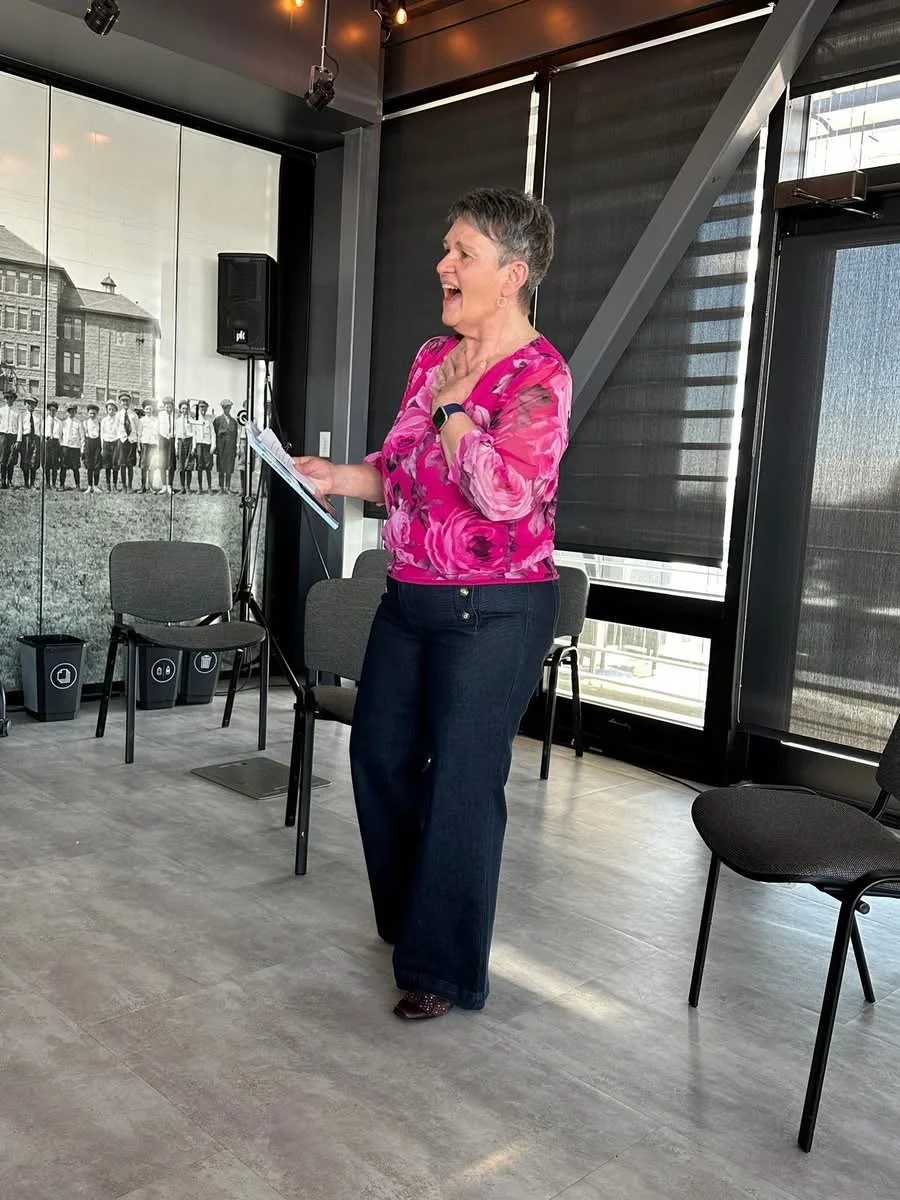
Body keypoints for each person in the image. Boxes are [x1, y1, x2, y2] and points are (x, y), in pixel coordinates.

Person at [294, 188, 572, 1020]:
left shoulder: (540, 376)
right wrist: (340, 478)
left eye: (462, 253)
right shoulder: (429, 356)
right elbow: (401, 469)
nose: (442, 266)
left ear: (512, 274)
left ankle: (439, 968)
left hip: (497, 611)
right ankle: (413, 921)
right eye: (445, 249)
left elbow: (504, 496)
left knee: (461, 782)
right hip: (409, 593)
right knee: (378, 760)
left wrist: (456, 407)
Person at [213, 399, 238, 493]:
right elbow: (215, 434)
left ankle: (227, 488)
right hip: (221, 448)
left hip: (230, 447)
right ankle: (221, 488)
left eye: (228, 408)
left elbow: (235, 436)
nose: (226, 409)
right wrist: (216, 447)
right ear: (222, 408)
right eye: (224, 408)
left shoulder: (234, 422)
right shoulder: (217, 420)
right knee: (221, 467)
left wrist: (235, 449)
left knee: (229, 467)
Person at [59, 403, 84, 490]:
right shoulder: (63, 423)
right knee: (63, 467)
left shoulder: (79, 423)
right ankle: (62, 485)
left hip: (75, 447)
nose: (71, 413)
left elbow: (82, 437)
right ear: (67, 412)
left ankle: (77, 485)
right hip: (65, 447)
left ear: (75, 412)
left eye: (73, 411)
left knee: (75, 468)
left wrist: (82, 449)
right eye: (69, 411)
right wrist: (62, 446)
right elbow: (60, 436)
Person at [191, 400, 214, 493]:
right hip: (199, 445)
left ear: (207, 408)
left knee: (208, 467)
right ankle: (200, 488)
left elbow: (213, 434)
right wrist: (193, 447)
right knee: (199, 467)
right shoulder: (196, 421)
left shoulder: (209, 421)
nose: (203, 409)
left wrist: (213, 446)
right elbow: (194, 435)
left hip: (207, 445)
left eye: (204, 407)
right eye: (201, 407)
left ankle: (209, 488)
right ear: (198, 408)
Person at [19, 397, 41, 489]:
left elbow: (40, 430)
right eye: (28, 403)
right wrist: (19, 440)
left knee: (34, 460)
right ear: (25, 405)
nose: (30, 405)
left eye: (32, 404)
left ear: (35, 405)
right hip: (26, 439)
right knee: (25, 460)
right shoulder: (22, 416)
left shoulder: (38, 417)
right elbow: (20, 429)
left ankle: (32, 484)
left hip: (35, 439)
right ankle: (26, 484)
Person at [0, 390, 20, 489]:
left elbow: (20, 427)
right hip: (3, 436)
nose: (9, 400)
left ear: (14, 399)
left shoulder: (17, 411)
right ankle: (3, 480)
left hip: (13, 437)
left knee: (11, 459)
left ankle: (10, 480)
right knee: (3, 459)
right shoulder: (1, 410)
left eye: (11, 398)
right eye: (7, 398)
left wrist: (18, 440)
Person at [174, 399, 194, 494]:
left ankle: (188, 487)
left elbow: (194, 434)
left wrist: (193, 447)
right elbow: (176, 434)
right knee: (181, 466)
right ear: (180, 409)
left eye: (186, 408)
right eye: (183, 408)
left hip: (189, 441)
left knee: (189, 465)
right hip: (180, 442)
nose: (185, 410)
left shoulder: (192, 420)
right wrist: (176, 448)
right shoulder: (177, 421)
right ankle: (182, 487)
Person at [82, 402, 102, 493]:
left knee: (97, 466)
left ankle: (96, 486)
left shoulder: (99, 423)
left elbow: (101, 436)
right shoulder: (85, 423)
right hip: (88, 444)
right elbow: (82, 437)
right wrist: (83, 449)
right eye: (90, 413)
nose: (92, 415)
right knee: (89, 466)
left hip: (97, 444)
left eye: (94, 413)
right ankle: (89, 486)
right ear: (88, 413)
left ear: (97, 414)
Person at [100, 400, 119, 492]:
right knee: (107, 466)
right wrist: (102, 446)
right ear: (107, 410)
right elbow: (102, 433)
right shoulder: (104, 420)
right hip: (106, 443)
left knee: (115, 465)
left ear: (116, 410)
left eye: (113, 409)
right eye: (109, 409)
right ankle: (108, 485)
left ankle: (115, 485)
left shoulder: (118, 420)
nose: (111, 411)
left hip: (115, 443)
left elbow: (119, 432)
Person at [44, 400, 62, 489]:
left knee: (55, 464)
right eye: (50, 410)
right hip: (47, 442)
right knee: (47, 464)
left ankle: (54, 483)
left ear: (56, 411)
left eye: (54, 410)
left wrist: (60, 445)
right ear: (48, 410)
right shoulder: (44, 420)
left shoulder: (59, 422)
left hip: (55, 443)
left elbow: (61, 434)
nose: (52, 412)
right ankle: (47, 483)